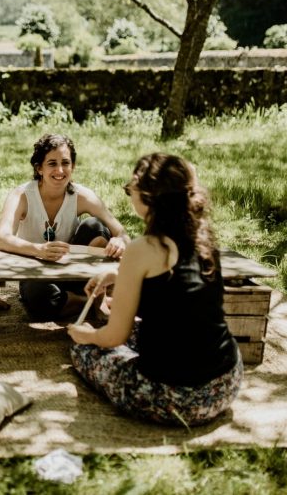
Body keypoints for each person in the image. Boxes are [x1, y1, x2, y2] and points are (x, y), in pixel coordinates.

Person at [68, 153, 242, 426]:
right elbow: (181, 296)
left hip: (174, 399)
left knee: (84, 351)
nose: (129, 193)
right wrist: (119, 274)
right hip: (226, 381)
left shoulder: (143, 249)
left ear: (148, 195)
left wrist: (88, 336)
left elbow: (114, 336)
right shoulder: (203, 239)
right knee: (142, 334)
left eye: (130, 189)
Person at [0, 133, 129, 321]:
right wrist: (38, 250)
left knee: (96, 226)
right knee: (38, 300)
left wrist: (119, 240)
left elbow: (122, 232)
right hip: (37, 272)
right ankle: (90, 301)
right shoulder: (21, 195)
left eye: (65, 163)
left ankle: (97, 301)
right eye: (52, 163)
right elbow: (2, 238)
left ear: (73, 166)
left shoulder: (82, 196)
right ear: (39, 168)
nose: (60, 170)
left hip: (74, 272)